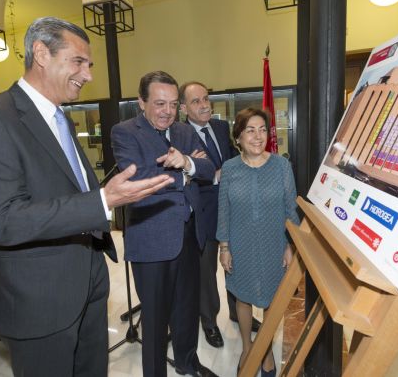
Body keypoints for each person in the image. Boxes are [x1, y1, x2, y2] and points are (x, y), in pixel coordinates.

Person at [0, 17, 173, 377]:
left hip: (88, 282)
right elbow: (4, 220)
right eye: (79, 62)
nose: (87, 75)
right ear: (40, 53)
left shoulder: (61, 118)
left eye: (89, 65)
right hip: (39, 296)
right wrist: (102, 202)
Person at [111, 71, 218, 377]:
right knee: (156, 320)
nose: (167, 112)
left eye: (173, 104)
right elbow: (138, 178)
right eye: (159, 103)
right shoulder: (125, 132)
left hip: (188, 235)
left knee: (186, 310)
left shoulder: (184, 131)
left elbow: (209, 167)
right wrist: (186, 171)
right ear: (141, 102)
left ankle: (188, 362)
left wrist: (187, 162)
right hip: (152, 239)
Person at [217, 107, 299, 377]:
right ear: (238, 137)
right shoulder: (229, 169)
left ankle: (264, 351)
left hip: (273, 243)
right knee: (242, 297)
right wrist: (225, 247)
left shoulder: (281, 166)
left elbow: (291, 209)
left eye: (262, 130)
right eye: (250, 130)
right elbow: (224, 210)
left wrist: (290, 244)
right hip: (239, 244)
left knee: (270, 302)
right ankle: (247, 346)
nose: (257, 136)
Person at [179, 81, 260, 349]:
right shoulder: (179, 136)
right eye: (195, 101)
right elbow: (184, 178)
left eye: (205, 99)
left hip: (232, 210)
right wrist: (212, 176)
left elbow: (232, 160)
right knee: (206, 271)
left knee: (234, 265)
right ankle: (209, 322)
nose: (204, 105)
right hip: (203, 215)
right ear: (183, 108)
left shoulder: (221, 127)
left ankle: (240, 312)